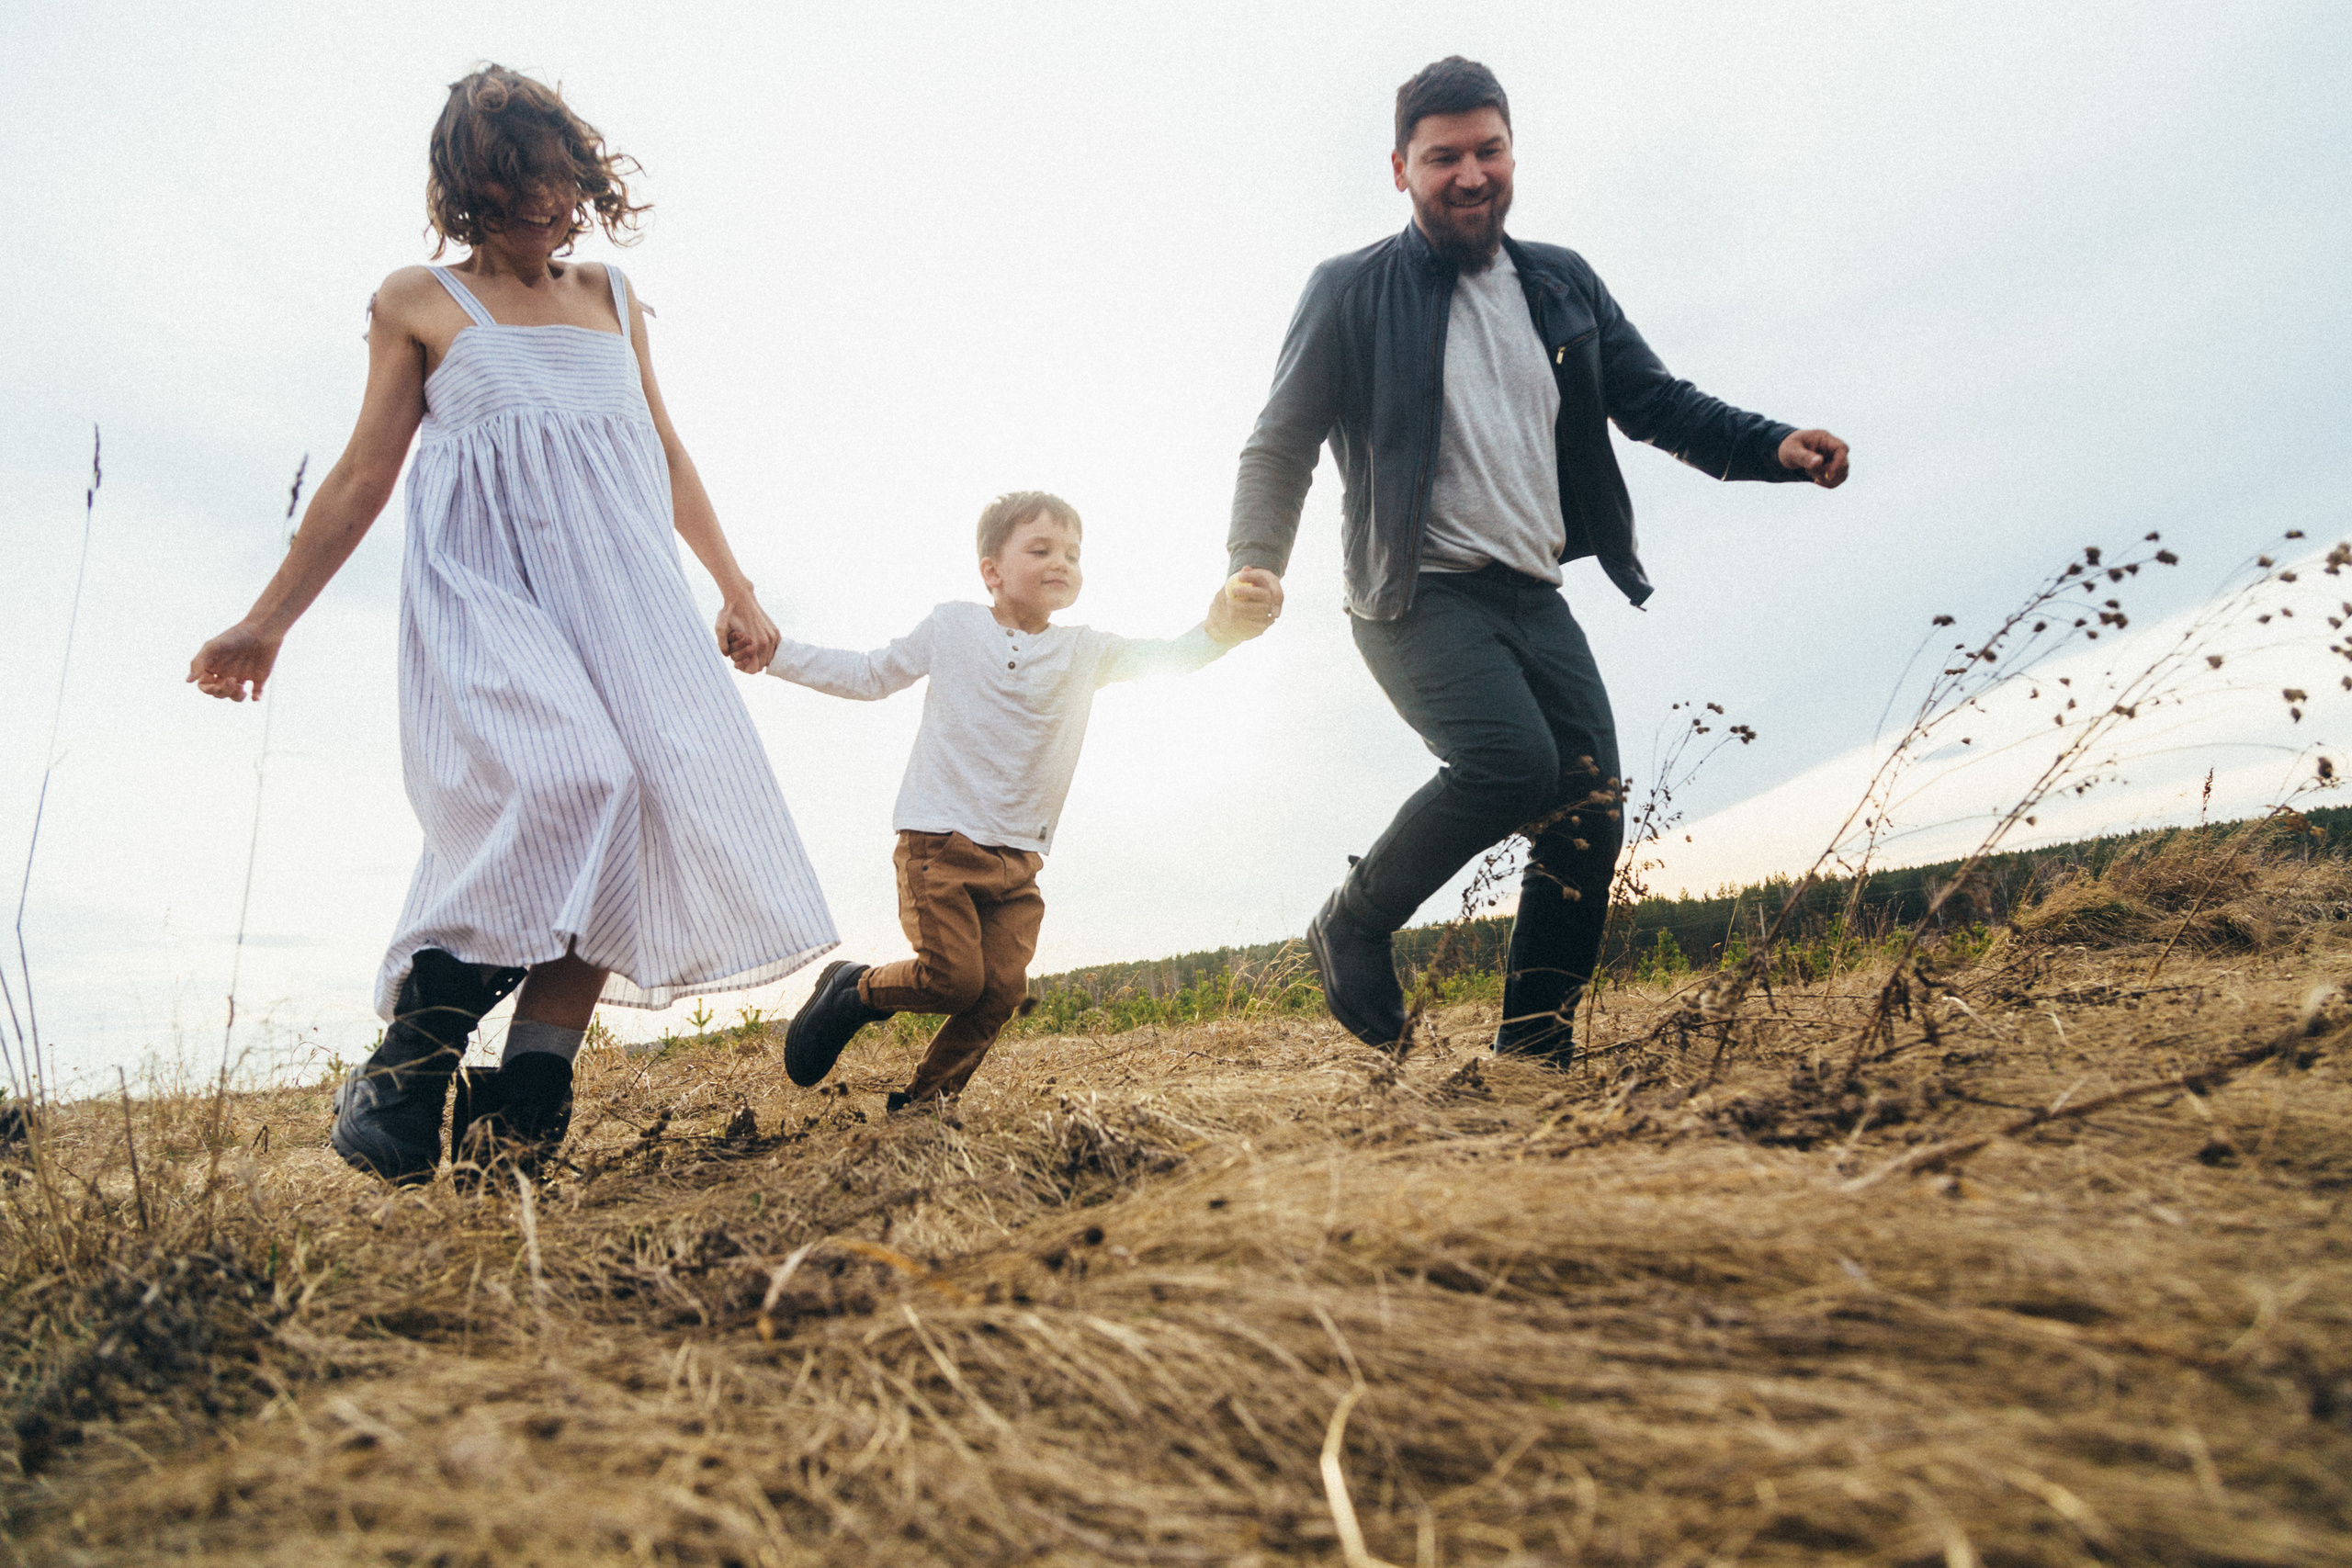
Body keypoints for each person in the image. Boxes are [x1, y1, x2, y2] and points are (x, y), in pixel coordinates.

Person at [187, 66, 837, 1183]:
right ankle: (408, 1064)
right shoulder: (420, 301)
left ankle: (523, 1105)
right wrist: (267, 622)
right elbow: (357, 478)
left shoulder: (613, 299)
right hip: (489, 595)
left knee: (627, 815)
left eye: (561, 188)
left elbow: (665, 453)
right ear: (467, 191)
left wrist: (736, 586)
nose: (545, 212)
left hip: (625, 599)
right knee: (573, 780)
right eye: (517, 191)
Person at [1228, 57, 1850, 1062]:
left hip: (1533, 593)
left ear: (1512, 152)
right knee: (1511, 764)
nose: (1469, 175)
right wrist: (1254, 559)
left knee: (1590, 808)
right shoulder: (1349, 291)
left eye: (1488, 151)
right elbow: (1280, 440)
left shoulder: (1560, 283)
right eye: (1443, 159)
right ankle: (1350, 920)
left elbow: (1656, 401)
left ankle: (1533, 1051)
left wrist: (1772, 446)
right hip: (1412, 595)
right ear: (1400, 169)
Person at [775, 491, 1281, 1110]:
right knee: (954, 979)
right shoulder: (953, 627)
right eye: (1040, 549)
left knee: (999, 991)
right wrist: (774, 653)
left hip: (1019, 860)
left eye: (1072, 552)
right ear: (992, 570)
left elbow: (1168, 658)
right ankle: (856, 990)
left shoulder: (1084, 650)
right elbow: (869, 673)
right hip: (940, 843)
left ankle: (927, 1104)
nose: (1061, 561)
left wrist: (1220, 630)